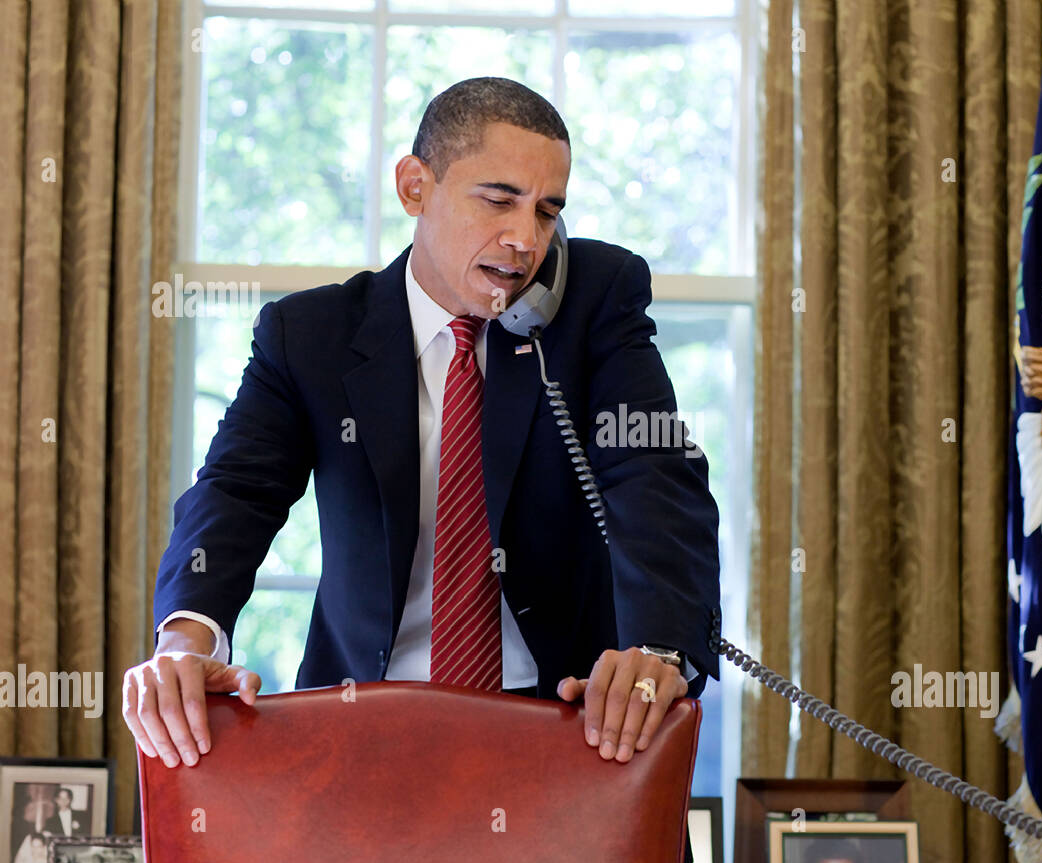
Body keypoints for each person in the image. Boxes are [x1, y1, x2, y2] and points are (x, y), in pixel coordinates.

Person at [122, 77, 722, 778]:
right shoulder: (310, 333)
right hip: (363, 717)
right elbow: (235, 491)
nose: (525, 239)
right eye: (498, 200)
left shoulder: (594, 303)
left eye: (547, 211)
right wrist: (186, 639)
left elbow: (652, 473)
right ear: (415, 188)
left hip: (566, 722)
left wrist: (662, 651)